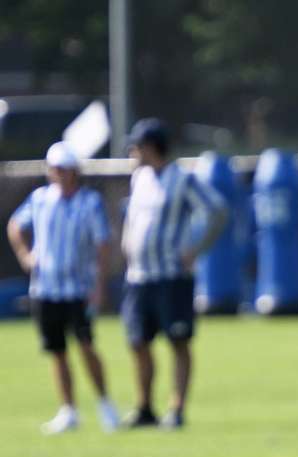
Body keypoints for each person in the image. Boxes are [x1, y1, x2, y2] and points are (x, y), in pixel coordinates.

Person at [119, 118, 227, 429]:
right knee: (137, 341)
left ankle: (176, 407)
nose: (132, 151)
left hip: (171, 276)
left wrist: (195, 248)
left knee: (177, 341)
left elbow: (217, 210)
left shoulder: (182, 179)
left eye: (137, 145)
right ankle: (144, 407)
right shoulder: (139, 178)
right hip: (139, 276)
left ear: (151, 147)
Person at [7, 142, 120, 434]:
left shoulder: (89, 202)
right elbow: (15, 225)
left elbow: (103, 244)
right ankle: (68, 409)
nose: (60, 174)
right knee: (57, 350)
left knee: (85, 345)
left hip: (77, 288)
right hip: (45, 288)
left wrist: (99, 284)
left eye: (65, 169)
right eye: (56, 169)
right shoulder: (40, 199)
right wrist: (25, 255)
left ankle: (105, 403)